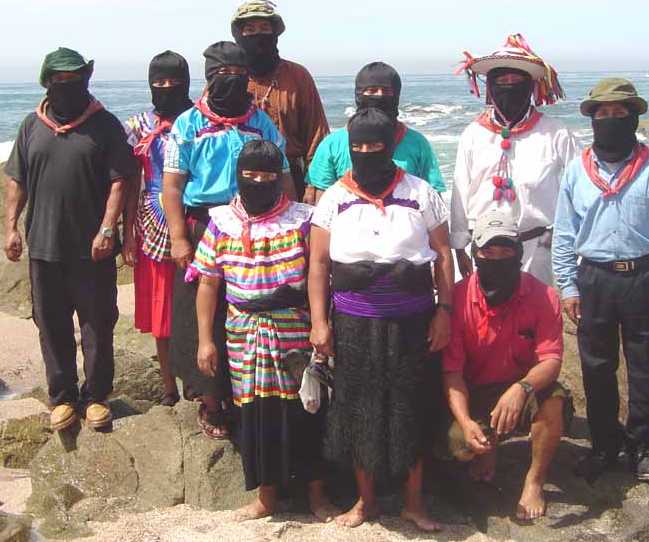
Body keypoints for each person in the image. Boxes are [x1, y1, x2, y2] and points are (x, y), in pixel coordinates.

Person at [308, 108, 454, 532]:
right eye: (359, 147)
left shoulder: (421, 192)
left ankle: (414, 503)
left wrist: (444, 311)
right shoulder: (333, 198)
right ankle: (365, 501)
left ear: (391, 146)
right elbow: (318, 264)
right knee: (358, 409)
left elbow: (443, 255)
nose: (367, 153)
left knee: (412, 407)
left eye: (376, 145)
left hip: (413, 321)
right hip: (354, 323)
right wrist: (320, 323)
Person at [552, 78, 649, 483]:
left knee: (645, 367)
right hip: (594, 278)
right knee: (596, 367)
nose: (611, 119)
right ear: (593, 119)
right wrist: (568, 286)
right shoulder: (576, 171)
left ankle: (643, 446)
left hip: (644, 277)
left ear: (633, 118)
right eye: (603, 113)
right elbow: (564, 233)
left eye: (620, 113)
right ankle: (604, 446)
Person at [190, 139, 338, 522]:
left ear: (279, 178)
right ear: (238, 176)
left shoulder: (304, 219)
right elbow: (208, 283)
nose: (258, 182)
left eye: (267, 176)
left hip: (295, 331)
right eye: (250, 175)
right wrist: (205, 340)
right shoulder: (221, 221)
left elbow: (321, 274)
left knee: (308, 410)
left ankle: (317, 497)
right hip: (243, 333)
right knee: (256, 415)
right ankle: (265, 498)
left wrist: (321, 325)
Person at [162, 41, 293, 440]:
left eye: (238, 74)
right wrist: (179, 237)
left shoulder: (261, 123)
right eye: (222, 74)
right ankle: (210, 399)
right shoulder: (188, 124)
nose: (231, 81)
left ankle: (242, 396)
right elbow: (172, 187)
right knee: (201, 315)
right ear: (209, 78)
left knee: (246, 313)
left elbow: (284, 174)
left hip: (254, 222)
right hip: (204, 225)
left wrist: (292, 223)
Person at [3, 47, 135, 431]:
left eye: (74, 79)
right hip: (44, 247)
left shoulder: (105, 125)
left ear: (85, 80)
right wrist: (11, 227)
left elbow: (120, 181)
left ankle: (96, 397)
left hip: (93, 250)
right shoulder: (32, 125)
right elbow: (17, 180)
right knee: (51, 324)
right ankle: (62, 397)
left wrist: (108, 229)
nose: (67, 85)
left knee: (98, 325)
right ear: (47, 82)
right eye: (59, 79)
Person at [442, 211, 572, 520]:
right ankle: (489, 447)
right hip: (475, 391)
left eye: (505, 252)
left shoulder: (544, 295)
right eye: (488, 252)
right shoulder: (458, 297)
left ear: (519, 254)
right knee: (459, 446)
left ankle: (535, 480)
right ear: (475, 254)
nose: (496, 259)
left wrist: (521, 388)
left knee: (554, 400)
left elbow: (551, 360)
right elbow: (452, 371)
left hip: (521, 389)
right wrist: (465, 421)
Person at [451, 34, 580, 285]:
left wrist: (565, 233)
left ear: (530, 86)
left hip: (537, 249)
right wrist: (459, 247)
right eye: (502, 81)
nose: (509, 86)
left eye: (516, 81)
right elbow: (460, 191)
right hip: (484, 250)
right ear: (490, 87)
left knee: (536, 308)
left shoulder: (555, 131)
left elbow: (582, 184)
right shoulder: (473, 134)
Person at [121, 50, 194, 406]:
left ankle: (195, 382)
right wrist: (126, 235)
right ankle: (168, 385)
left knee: (194, 302)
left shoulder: (199, 121)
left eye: (174, 82)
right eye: (159, 82)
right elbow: (127, 182)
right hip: (150, 221)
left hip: (194, 216)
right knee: (160, 306)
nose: (166, 88)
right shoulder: (137, 126)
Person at [305, 61, 446, 204]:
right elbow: (321, 201)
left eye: (387, 91)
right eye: (372, 90)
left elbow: (433, 199)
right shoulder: (332, 144)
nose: (380, 96)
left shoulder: (417, 143)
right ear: (359, 94)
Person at [231, 0, 329, 201]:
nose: (258, 34)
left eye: (265, 28)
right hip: (238, 180)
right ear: (239, 35)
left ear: (275, 33)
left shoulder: (298, 75)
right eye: (250, 29)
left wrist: (313, 183)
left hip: (290, 177)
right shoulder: (227, 77)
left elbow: (317, 134)